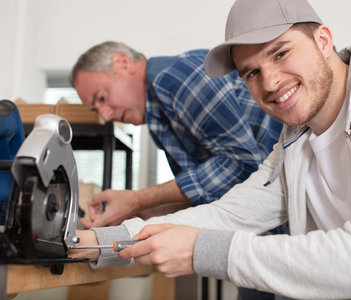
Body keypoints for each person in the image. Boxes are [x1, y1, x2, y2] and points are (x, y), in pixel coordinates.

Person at [70, 0, 351, 299]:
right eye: (251, 72)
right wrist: (100, 242)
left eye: (281, 53)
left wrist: (204, 250)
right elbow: (230, 214)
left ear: (323, 40)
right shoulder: (294, 138)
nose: (269, 82)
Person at [71, 42, 283, 299]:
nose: (106, 115)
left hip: (286, 223)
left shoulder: (177, 77)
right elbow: (217, 189)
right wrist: (144, 213)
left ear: (123, 63)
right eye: (96, 110)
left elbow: (241, 165)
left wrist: (137, 199)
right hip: (258, 229)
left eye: (102, 98)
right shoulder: (160, 119)